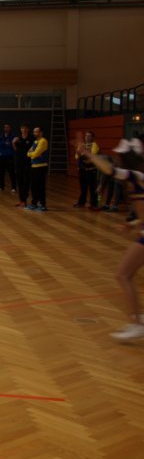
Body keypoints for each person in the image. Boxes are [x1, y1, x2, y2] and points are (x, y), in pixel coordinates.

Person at [82, 139, 144, 340]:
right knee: (125, 275)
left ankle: (137, 324)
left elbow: (110, 171)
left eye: (120, 155)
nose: (117, 158)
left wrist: (88, 154)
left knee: (122, 275)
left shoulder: (136, 176)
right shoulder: (137, 178)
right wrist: (132, 225)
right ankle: (137, 320)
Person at [74, 131, 100, 210]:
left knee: (93, 188)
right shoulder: (82, 145)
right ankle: (81, 202)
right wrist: (79, 152)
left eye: (89, 136)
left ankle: (94, 204)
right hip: (82, 170)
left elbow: (91, 155)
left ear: (92, 137)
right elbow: (76, 156)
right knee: (83, 188)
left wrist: (81, 152)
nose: (87, 137)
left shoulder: (94, 145)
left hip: (91, 170)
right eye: (86, 136)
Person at [26, 126, 49, 212]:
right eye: (34, 131)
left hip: (41, 167)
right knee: (34, 186)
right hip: (34, 166)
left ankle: (42, 204)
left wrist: (32, 154)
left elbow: (35, 154)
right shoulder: (35, 141)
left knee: (41, 186)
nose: (34, 133)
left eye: (36, 132)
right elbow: (28, 153)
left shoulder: (43, 141)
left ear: (41, 133)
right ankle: (34, 203)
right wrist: (32, 154)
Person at [12, 122, 33, 208]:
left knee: (26, 182)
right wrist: (13, 143)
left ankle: (24, 200)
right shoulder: (18, 138)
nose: (24, 129)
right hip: (18, 163)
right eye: (22, 128)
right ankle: (21, 200)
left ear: (28, 129)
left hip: (27, 163)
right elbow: (16, 149)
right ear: (20, 129)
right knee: (20, 182)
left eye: (25, 128)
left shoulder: (31, 139)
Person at [0, 124, 16, 193]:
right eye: (5, 127)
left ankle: (13, 187)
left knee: (11, 173)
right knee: (1, 173)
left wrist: (5, 144)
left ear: (10, 128)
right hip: (2, 156)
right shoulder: (1, 136)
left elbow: (11, 146)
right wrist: (5, 143)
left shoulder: (13, 137)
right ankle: (1, 187)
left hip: (9, 157)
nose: (6, 129)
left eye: (8, 127)